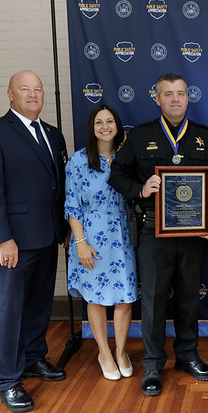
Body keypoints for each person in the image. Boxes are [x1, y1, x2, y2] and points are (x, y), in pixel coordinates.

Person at [109, 72, 208, 397]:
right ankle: (152, 365)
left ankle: (188, 355)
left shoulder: (206, 137)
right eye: (168, 94)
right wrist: (141, 189)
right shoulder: (139, 137)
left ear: (188, 97)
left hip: (194, 234)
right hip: (153, 233)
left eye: (180, 93)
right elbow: (117, 175)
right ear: (157, 98)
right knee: (152, 300)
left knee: (190, 297)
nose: (175, 99)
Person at [0, 70, 68, 413]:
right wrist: (1, 239)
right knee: (11, 309)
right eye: (25, 89)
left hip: (47, 235)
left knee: (40, 302)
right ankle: (9, 381)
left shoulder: (54, 136)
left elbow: (58, 188)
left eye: (38, 89)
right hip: (14, 241)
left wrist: (66, 231)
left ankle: (32, 358)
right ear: (10, 94)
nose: (33, 94)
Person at [65, 104, 137, 380]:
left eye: (110, 121)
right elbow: (72, 207)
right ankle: (104, 352)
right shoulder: (78, 161)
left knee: (124, 300)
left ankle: (120, 351)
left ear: (117, 126)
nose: (105, 126)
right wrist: (81, 243)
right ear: (91, 128)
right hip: (90, 238)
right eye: (99, 122)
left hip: (123, 237)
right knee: (95, 300)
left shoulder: (127, 158)